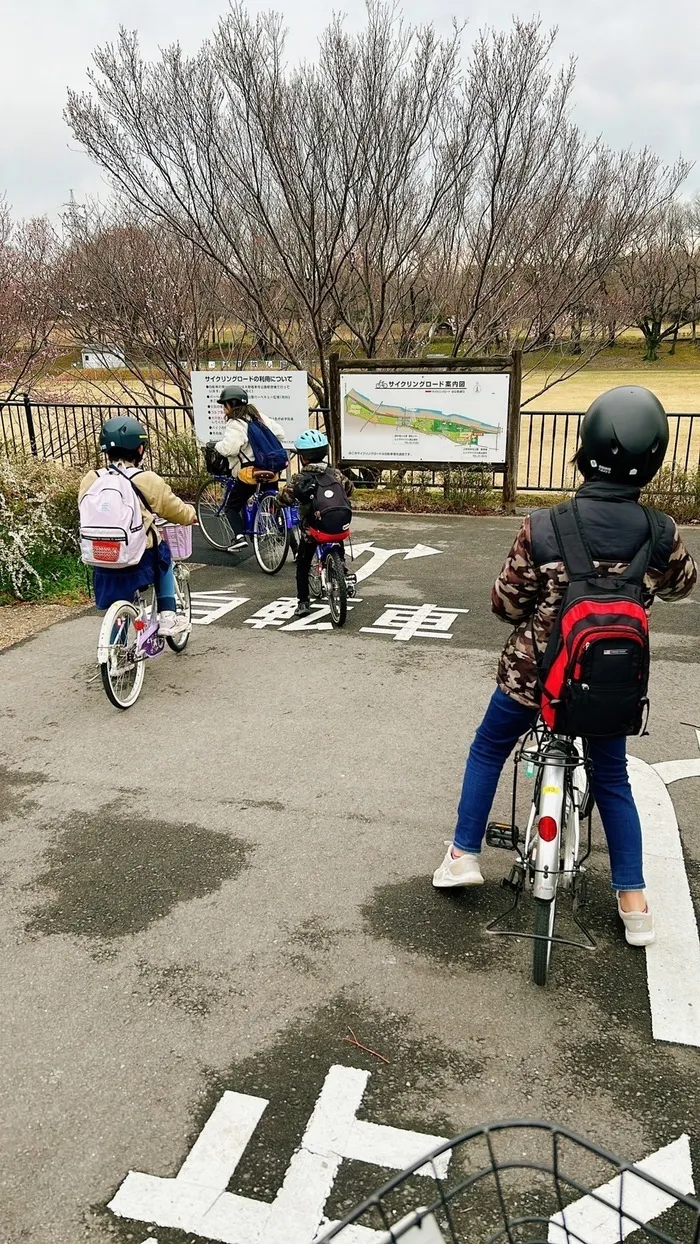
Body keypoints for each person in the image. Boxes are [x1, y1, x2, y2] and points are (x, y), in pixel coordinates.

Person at [432, 386, 697, 947]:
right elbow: (683, 586)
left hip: (534, 679)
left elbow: (505, 604)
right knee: (612, 776)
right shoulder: (661, 531)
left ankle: (463, 855)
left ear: (583, 445)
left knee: (488, 747)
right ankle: (634, 901)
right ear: (655, 458)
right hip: (609, 685)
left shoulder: (544, 525)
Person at [79, 416, 197, 637]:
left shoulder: (91, 478)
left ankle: (115, 654)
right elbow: (174, 509)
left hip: (100, 554)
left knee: (120, 602)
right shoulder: (146, 479)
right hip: (138, 557)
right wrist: (190, 516)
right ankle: (168, 618)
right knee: (164, 556)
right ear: (140, 449)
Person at [277, 428, 356, 618]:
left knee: (303, 563)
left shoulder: (300, 479)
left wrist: (278, 501)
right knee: (336, 539)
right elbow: (350, 490)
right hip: (339, 526)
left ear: (303, 458)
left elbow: (284, 498)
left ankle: (303, 602)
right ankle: (341, 568)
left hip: (313, 530)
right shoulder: (335, 474)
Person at [207, 385, 286, 553]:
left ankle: (239, 537)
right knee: (274, 504)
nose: (224, 409)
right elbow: (280, 434)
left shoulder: (236, 422)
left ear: (230, 404)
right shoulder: (258, 417)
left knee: (232, 507)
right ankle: (288, 537)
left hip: (249, 474)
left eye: (224, 405)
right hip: (271, 471)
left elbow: (230, 449)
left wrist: (216, 445)